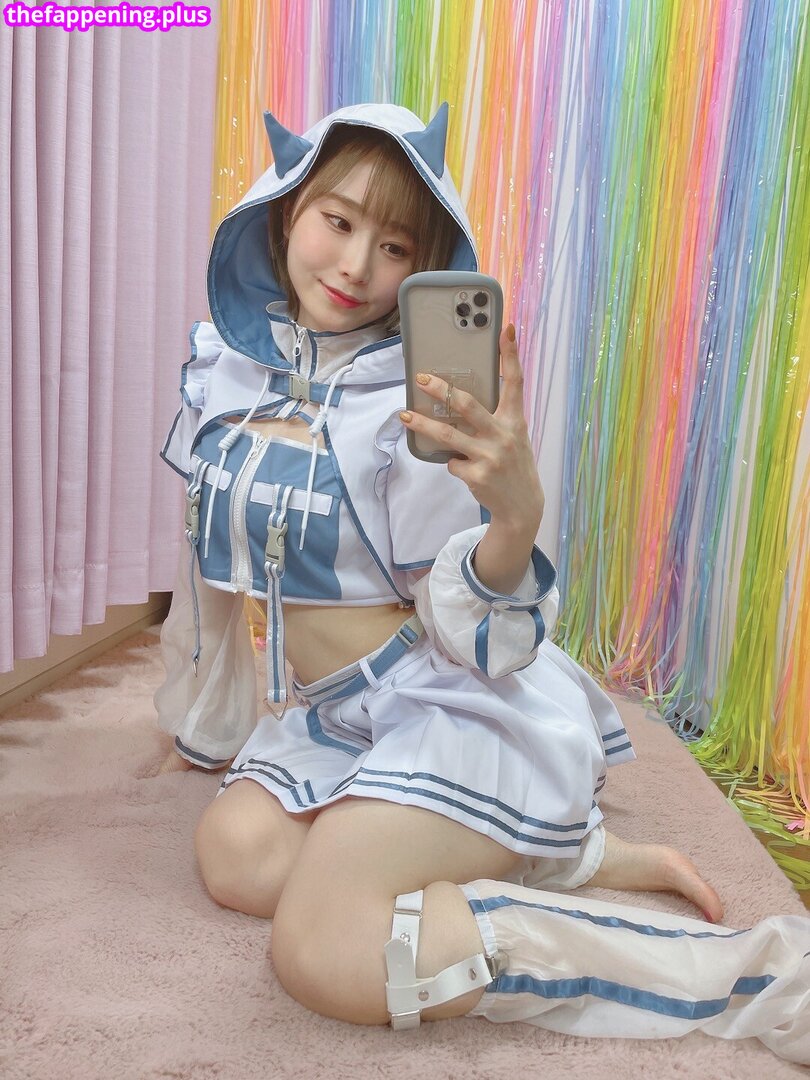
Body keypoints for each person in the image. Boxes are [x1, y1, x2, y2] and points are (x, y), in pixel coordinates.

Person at [154, 102, 809, 1062]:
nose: (356, 266)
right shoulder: (226, 372)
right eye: (338, 221)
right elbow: (206, 570)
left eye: (395, 246)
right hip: (335, 716)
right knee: (237, 858)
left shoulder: (417, 407)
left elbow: (466, 629)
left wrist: (513, 521)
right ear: (286, 210)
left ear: (426, 268)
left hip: (444, 700)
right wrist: (200, 730)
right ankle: (556, 854)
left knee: (324, 948)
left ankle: (753, 975)